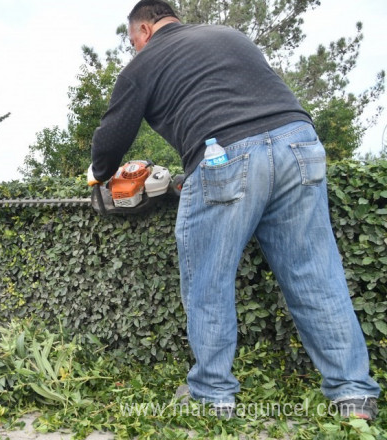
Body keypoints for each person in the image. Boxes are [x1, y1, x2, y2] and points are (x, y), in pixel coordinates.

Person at [89, 0, 380, 420]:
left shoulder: (145, 61)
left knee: (208, 281)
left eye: (133, 40)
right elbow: (248, 110)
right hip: (301, 145)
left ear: (145, 30)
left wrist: (100, 177)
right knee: (316, 275)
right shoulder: (230, 36)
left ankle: (211, 396)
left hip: (225, 154)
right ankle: (353, 398)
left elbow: (113, 133)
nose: (134, 48)